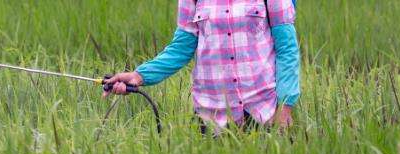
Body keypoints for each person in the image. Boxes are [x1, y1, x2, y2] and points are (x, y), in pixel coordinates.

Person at [103, 0, 301, 130]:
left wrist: (285, 108)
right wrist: (139, 76)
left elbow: (287, 50)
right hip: (210, 120)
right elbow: (181, 48)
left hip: (261, 114)